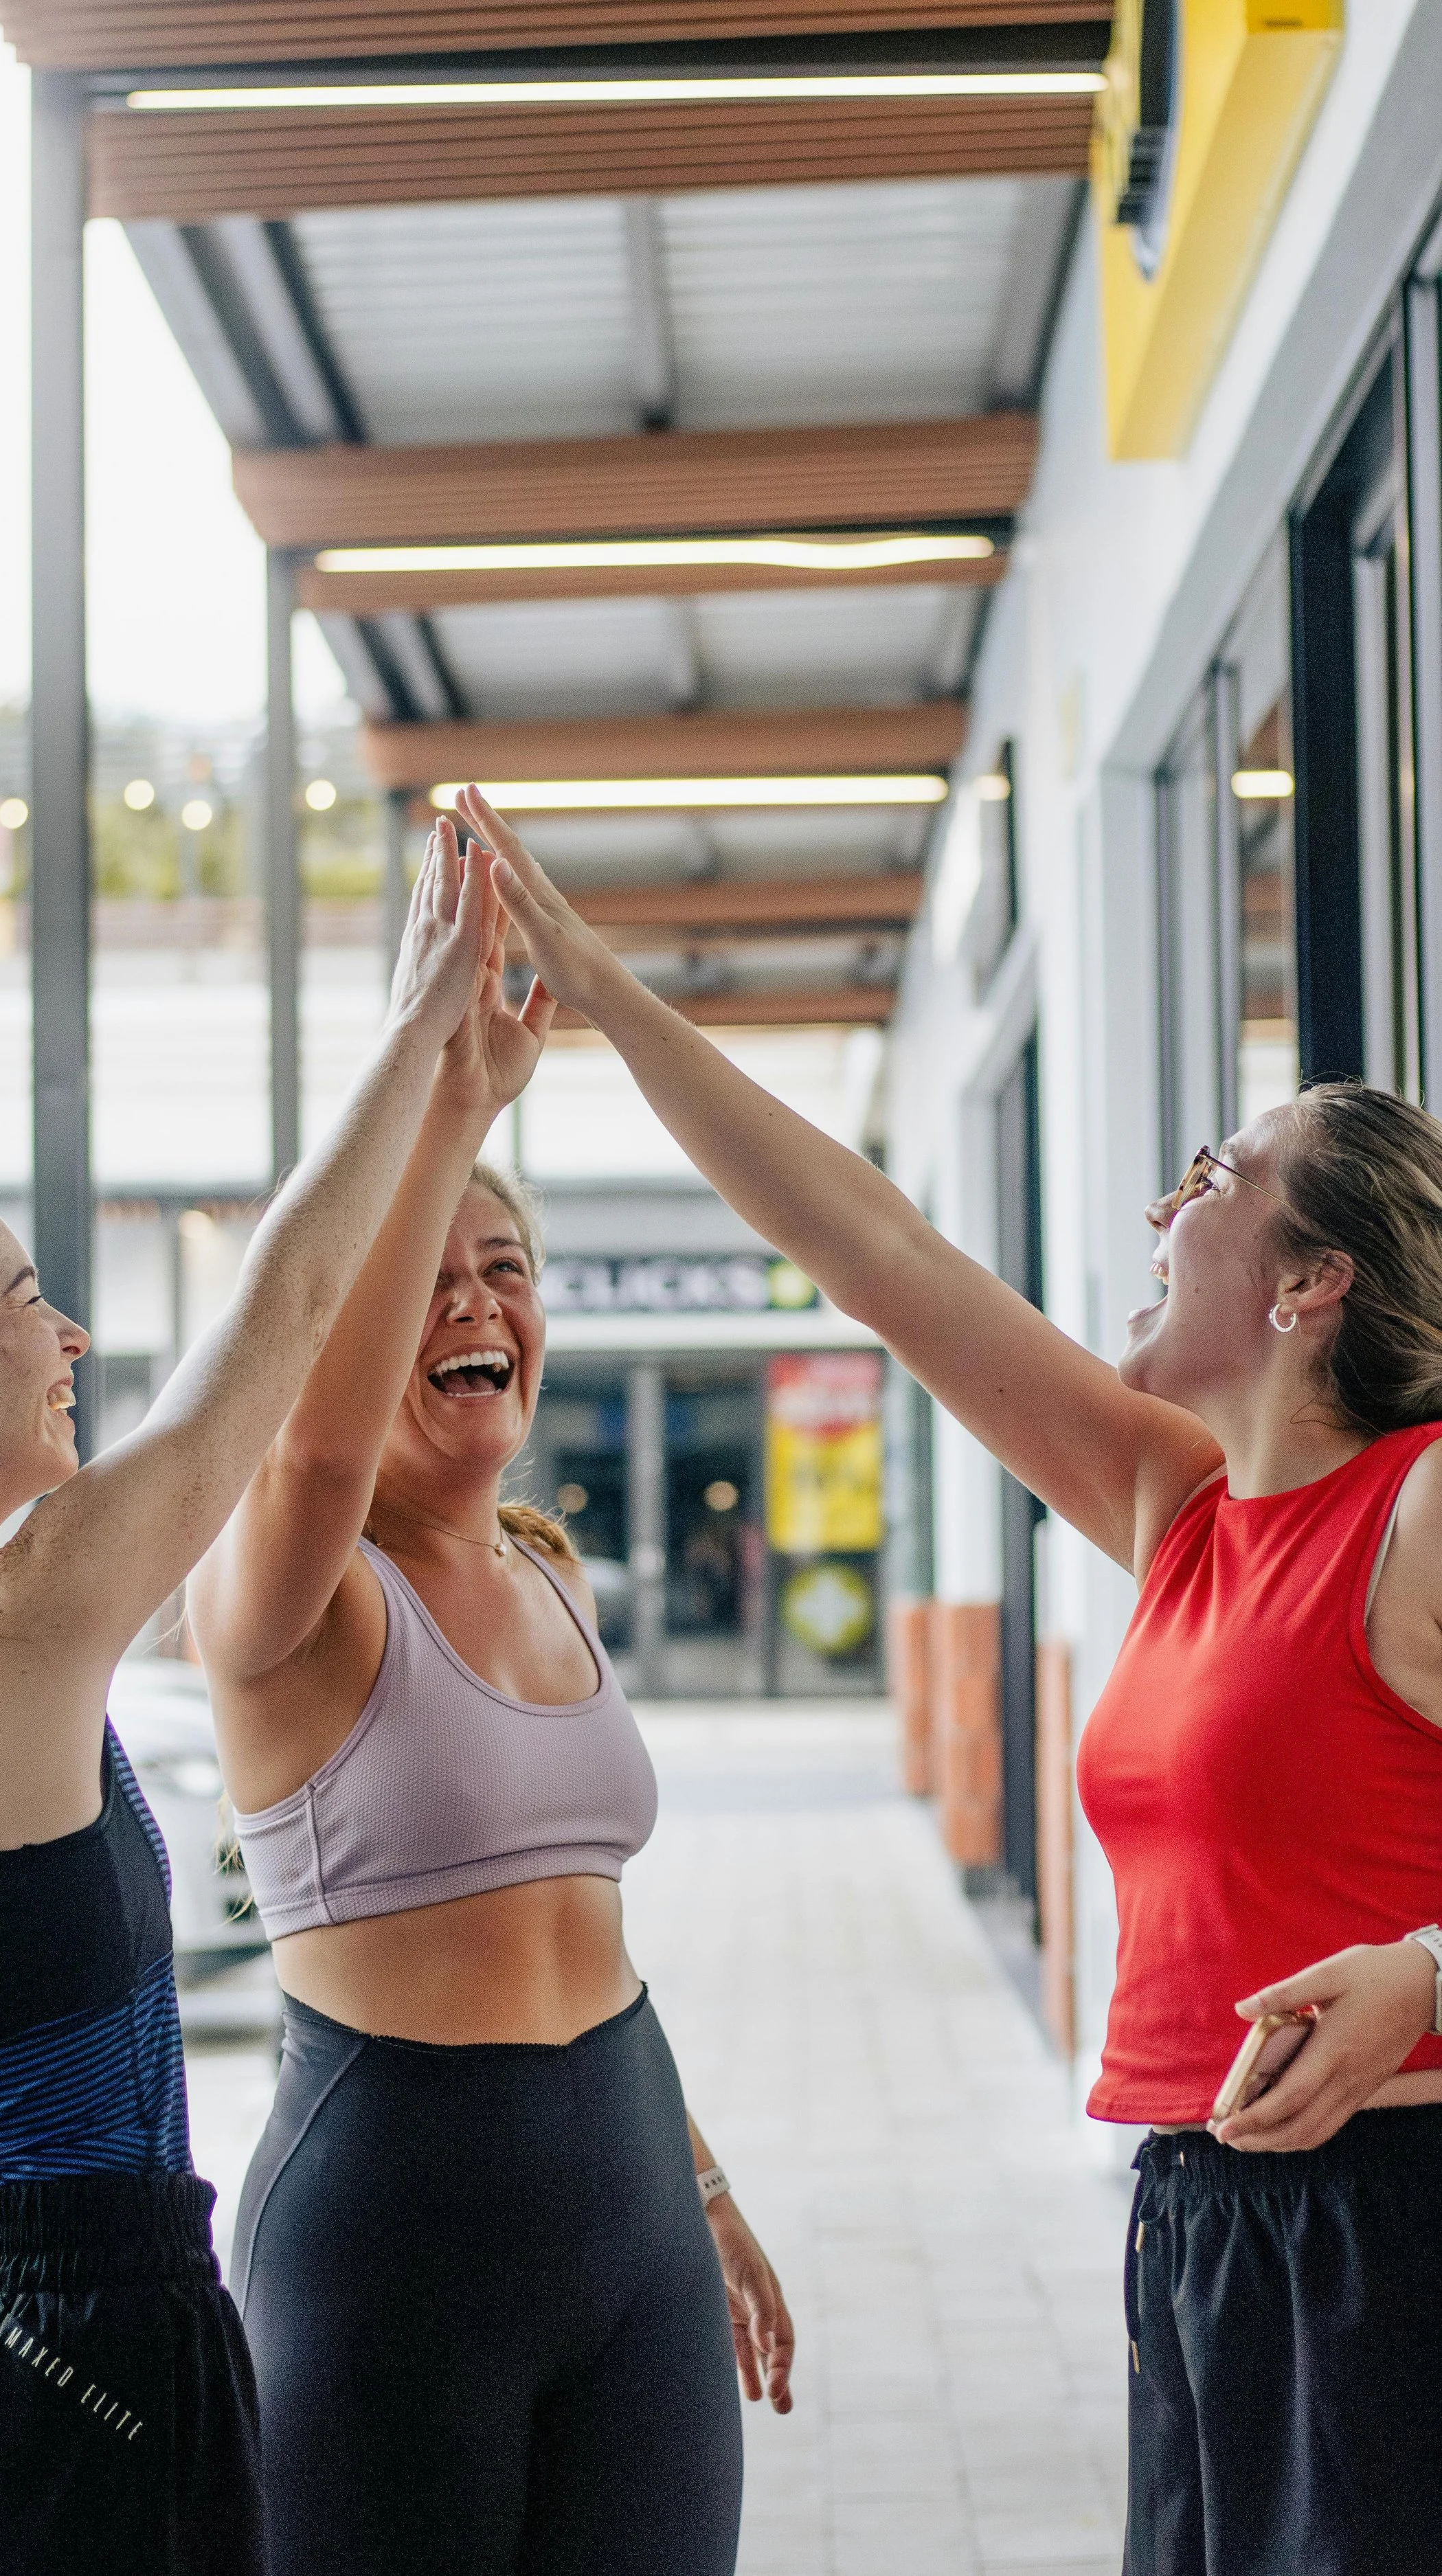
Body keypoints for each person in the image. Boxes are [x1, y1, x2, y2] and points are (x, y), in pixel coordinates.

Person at [468, 779, 1442, 2576]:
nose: (1166, 1196)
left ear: (1314, 1280)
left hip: (1398, 2211)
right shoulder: (1183, 1503)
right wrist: (597, 985)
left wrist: (1428, 1965)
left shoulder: (1419, 1501)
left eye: (1216, 1176)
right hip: (1200, 2207)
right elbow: (876, 1249)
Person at [0, 833, 495, 2576]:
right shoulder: (0, 1634)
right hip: (74, 2378)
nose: (68, 1336)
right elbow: (276, 1337)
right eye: (23, 1301)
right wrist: (415, 1042)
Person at [188, 870, 793, 2576]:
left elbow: (581, 1941)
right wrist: (440, 1089)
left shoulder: (550, 1576)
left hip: (629, 2208)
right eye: (427, 1279)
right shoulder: (286, 1601)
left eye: (502, 1269)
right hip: (393, 2232)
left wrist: (705, 2188)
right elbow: (308, 1450)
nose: (474, 1307)